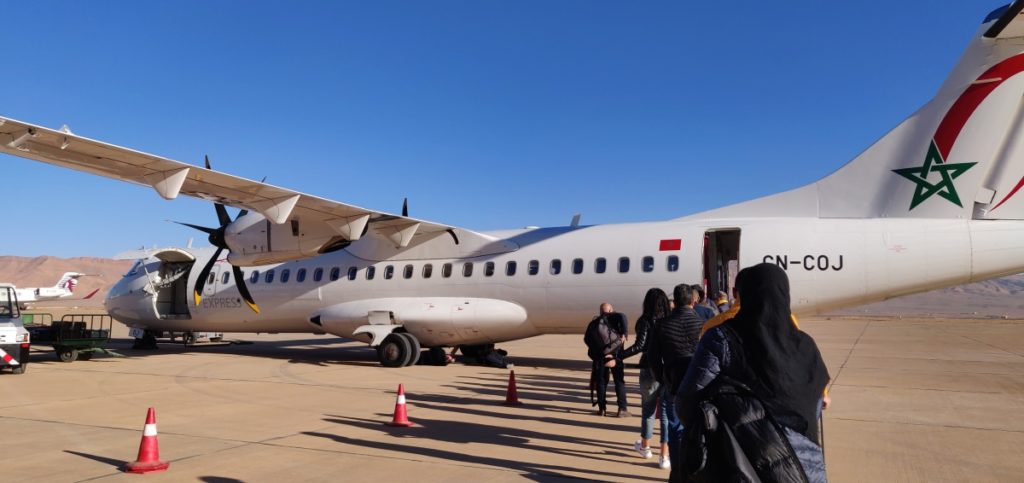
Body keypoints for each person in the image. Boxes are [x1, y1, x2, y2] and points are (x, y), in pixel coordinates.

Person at [675, 263, 830, 482]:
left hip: (742, 465)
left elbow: (686, 404)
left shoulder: (721, 337)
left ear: (743, 295)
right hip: (805, 469)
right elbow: (816, 406)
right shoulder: (806, 345)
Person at [648, 284, 705, 471]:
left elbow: (653, 358)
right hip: (699, 384)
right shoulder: (702, 323)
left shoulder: (662, 325)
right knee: (700, 429)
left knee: (675, 428)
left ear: (675, 301)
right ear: (693, 300)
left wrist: (662, 377)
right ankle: (698, 469)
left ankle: (678, 470)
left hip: (674, 382)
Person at [620, 288, 672, 469]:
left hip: (649, 368)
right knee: (665, 414)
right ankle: (664, 456)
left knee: (648, 409)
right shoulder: (669, 319)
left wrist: (619, 356)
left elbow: (640, 345)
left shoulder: (645, 320)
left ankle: (645, 447)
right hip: (667, 370)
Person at [584, 303, 630, 417]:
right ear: (610, 310)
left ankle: (602, 409)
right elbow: (623, 316)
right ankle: (622, 409)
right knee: (619, 381)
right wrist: (624, 333)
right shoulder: (615, 317)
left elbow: (586, 339)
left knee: (601, 382)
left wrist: (599, 352)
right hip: (616, 355)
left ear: (600, 311)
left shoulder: (594, 323)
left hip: (600, 357)